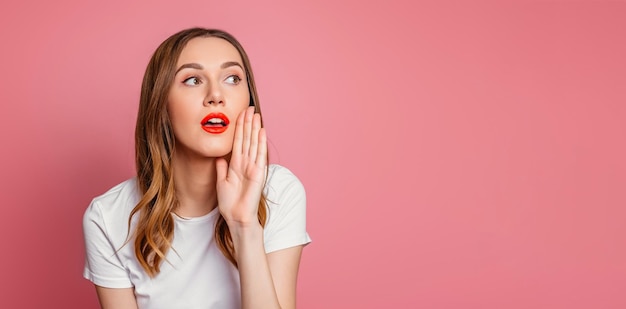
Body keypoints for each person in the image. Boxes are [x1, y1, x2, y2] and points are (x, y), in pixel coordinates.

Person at [82, 28, 311, 309]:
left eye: (232, 78)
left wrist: (245, 226)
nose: (216, 95)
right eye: (192, 80)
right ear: (161, 103)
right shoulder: (108, 217)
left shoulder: (279, 191)